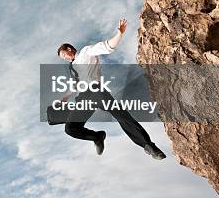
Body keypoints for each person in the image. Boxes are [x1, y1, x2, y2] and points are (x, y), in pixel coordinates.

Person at [57, 18, 166, 160]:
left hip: (96, 91)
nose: (64, 58)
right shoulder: (72, 67)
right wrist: (65, 98)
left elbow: (106, 46)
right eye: (62, 58)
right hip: (83, 98)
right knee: (70, 128)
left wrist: (119, 34)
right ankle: (97, 136)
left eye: (64, 55)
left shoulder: (86, 52)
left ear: (69, 49)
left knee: (120, 114)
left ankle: (148, 145)